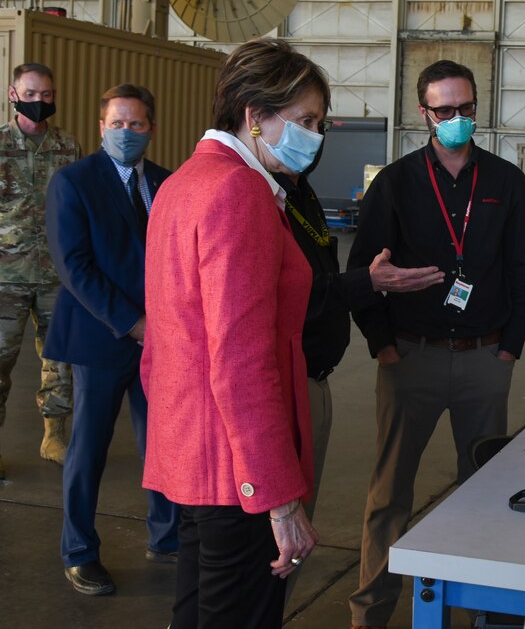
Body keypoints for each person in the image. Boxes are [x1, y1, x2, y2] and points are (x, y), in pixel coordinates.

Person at [346, 59, 525, 629]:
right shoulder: (396, 183)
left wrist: (509, 348)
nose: (456, 119)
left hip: (485, 359)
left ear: (476, 108)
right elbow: (365, 271)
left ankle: (484, 614)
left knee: (483, 495)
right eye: (444, 111)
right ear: (424, 113)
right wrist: (383, 346)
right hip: (411, 358)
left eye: (465, 109)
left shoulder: (506, 183)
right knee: (389, 496)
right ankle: (370, 614)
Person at [142, 38, 323, 628]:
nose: (314, 137)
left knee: (197, 611)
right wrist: (278, 495)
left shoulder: (184, 181)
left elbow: (169, 335)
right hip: (236, 468)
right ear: (254, 115)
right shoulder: (238, 191)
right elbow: (242, 358)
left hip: (194, 451)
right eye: (304, 121)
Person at [272, 144, 443, 602]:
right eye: (301, 121)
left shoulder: (299, 191)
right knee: (275, 534)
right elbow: (289, 294)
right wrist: (380, 334)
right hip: (283, 381)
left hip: (316, 375)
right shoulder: (258, 195)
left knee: (297, 522)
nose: (312, 136)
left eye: (317, 124)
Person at [44, 83, 179, 595]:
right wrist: (132, 322)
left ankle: (167, 537)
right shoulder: (73, 182)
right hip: (102, 338)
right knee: (88, 449)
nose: (127, 132)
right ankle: (79, 551)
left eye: (136, 124)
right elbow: (73, 265)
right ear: (101, 127)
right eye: (117, 124)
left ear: (151, 129)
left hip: (162, 341)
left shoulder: (167, 184)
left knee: (162, 444)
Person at [0, 63, 78, 477]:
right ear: (13, 95)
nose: (39, 102)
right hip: (5, 279)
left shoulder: (68, 147)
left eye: (46, 95)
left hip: (55, 276)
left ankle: (53, 436)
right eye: (31, 94)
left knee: (59, 361)